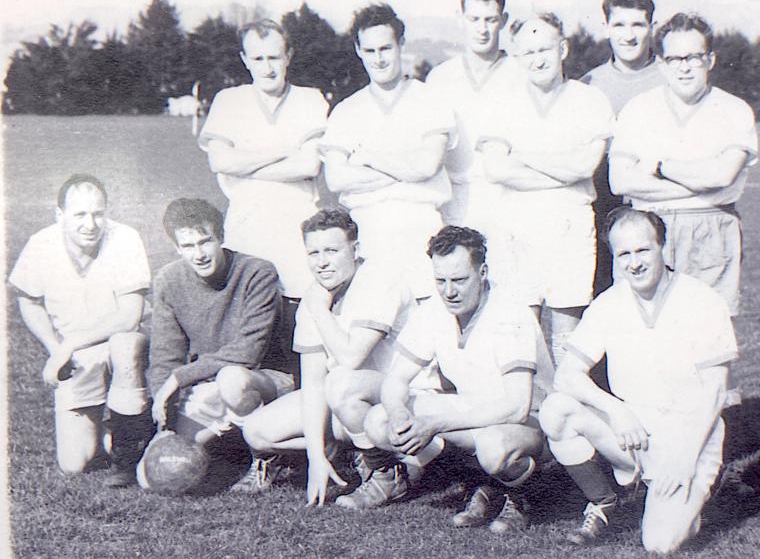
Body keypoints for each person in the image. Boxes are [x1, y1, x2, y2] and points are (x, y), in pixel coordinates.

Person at [539, 208, 736, 553]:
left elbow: (715, 391)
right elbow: (567, 375)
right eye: (624, 254)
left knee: (661, 544)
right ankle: (604, 502)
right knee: (557, 410)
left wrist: (685, 459)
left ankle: (701, 484)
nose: (635, 263)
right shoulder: (609, 304)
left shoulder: (701, 300)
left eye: (643, 250)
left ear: (663, 247)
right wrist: (616, 410)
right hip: (635, 429)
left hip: (688, 435)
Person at [239, 208, 438, 506]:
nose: (321, 262)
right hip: (350, 401)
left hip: (406, 400)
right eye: (313, 253)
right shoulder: (315, 294)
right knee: (256, 431)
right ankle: (359, 452)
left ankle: (386, 472)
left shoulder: (379, 279)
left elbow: (351, 358)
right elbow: (314, 382)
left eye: (331, 250)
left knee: (343, 382)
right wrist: (315, 456)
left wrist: (319, 310)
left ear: (355, 249)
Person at [363, 226, 552, 533]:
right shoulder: (435, 309)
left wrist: (436, 424)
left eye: (460, 280)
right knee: (379, 419)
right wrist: (400, 415)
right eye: (441, 280)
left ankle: (524, 493)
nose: (449, 291)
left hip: (530, 423)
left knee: (494, 446)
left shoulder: (510, 312)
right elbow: (395, 379)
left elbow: (517, 407)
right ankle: (480, 482)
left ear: (483, 272)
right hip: (475, 411)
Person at [199, 19, 330, 380]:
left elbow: (309, 164)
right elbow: (219, 161)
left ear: (289, 55)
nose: (268, 67)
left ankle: (303, 424)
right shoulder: (230, 101)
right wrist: (281, 150)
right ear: (244, 59)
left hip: (295, 234)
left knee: (299, 342)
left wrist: (246, 163)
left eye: (275, 56)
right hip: (247, 233)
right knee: (249, 342)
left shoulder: (309, 99)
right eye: (258, 58)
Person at [479, 13, 613, 365]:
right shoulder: (501, 103)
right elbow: (496, 169)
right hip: (516, 226)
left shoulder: (589, 100)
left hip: (570, 223)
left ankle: (568, 410)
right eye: (528, 52)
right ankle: (530, 415)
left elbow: (585, 166)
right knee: (524, 333)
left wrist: (522, 155)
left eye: (546, 49)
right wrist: (561, 168)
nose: (538, 59)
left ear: (563, 48)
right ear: (517, 57)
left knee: (568, 335)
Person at [609, 12, 757, 316]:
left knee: (708, 337)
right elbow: (620, 181)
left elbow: (722, 175)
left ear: (711, 60)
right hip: (646, 230)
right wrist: (701, 187)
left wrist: (660, 167)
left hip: (712, 231)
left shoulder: (734, 110)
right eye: (675, 58)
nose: (685, 67)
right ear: (662, 63)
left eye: (694, 57)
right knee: (644, 334)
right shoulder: (638, 110)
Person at [9, 174, 152, 487]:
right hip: (78, 357)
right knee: (75, 463)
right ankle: (121, 427)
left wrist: (68, 344)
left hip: (122, 346)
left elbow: (130, 317)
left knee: (126, 346)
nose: (90, 224)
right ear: (59, 215)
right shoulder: (41, 243)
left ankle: (127, 448)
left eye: (98, 213)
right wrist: (54, 346)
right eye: (79, 214)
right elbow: (28, 300)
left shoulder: (125, 238)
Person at [147, 198, 295, 490]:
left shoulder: (257, 272)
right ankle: (226, 447)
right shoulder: (169, 279)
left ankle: (266, 460)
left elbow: (249, 351)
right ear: (176, 247)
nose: (199, 254)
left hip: (262, 379)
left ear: (221, 237)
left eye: (205, 242)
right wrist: (165, 422)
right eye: (188, 246)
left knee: (233, 380)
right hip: (206, 383)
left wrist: (179, 378)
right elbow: (165, 356)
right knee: (154, 476)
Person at [322, 3, 454, 299]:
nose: (379, 59)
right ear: (358, 50)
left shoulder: (430, 100)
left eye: (386, 48)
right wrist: (406, 171)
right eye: (370, 51)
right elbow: (337, 179)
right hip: (370, 231)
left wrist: (370, 158)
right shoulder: (346, 111)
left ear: (401, 44)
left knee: (427, 327)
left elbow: (428, 166)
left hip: (421, 228)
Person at [581, 0, 665, 295]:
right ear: (606, 27)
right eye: (619, 24)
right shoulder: (589, 85)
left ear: (652, 27)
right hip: (604, 205)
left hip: (658, 200)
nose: (628, 35)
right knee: (606, 299)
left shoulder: (671, 78)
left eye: (637, 25)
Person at [426, 0, 522, 231]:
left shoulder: (522, 73)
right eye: (474, 19)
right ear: (460, 17)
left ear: (503, 20)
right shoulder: (439, 78)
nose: (482, 29)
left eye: (490, 20)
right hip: (456, 203)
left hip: (510, 200)